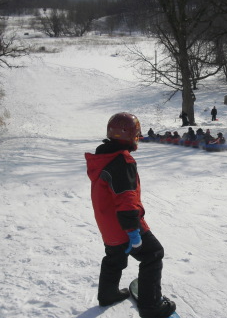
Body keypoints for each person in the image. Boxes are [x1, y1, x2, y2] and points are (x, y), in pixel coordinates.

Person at [85, 112, 176, 318]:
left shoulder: (103, 157)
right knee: (153, 254)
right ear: (130, 136)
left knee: (114, 256)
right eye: (136, 135)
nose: (137, 139)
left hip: (107, 224)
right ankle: (151, 307)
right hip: (124, 225)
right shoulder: (122, 161)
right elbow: (126, 200)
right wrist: (133, 232)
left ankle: (107, 294)